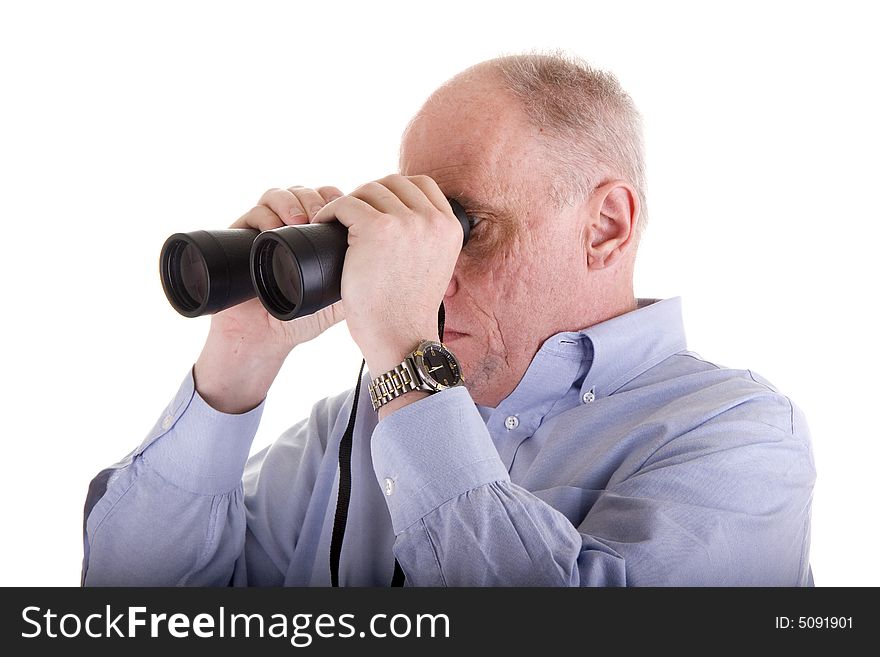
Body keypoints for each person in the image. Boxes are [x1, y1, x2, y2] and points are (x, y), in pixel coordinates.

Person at [82, 52, 815, 586]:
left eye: (466, 225)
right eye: (418, 227)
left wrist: (406, 359)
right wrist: (239, 356)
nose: (429, 270)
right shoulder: (353, 430)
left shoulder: (739, 437)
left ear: (606, 227)